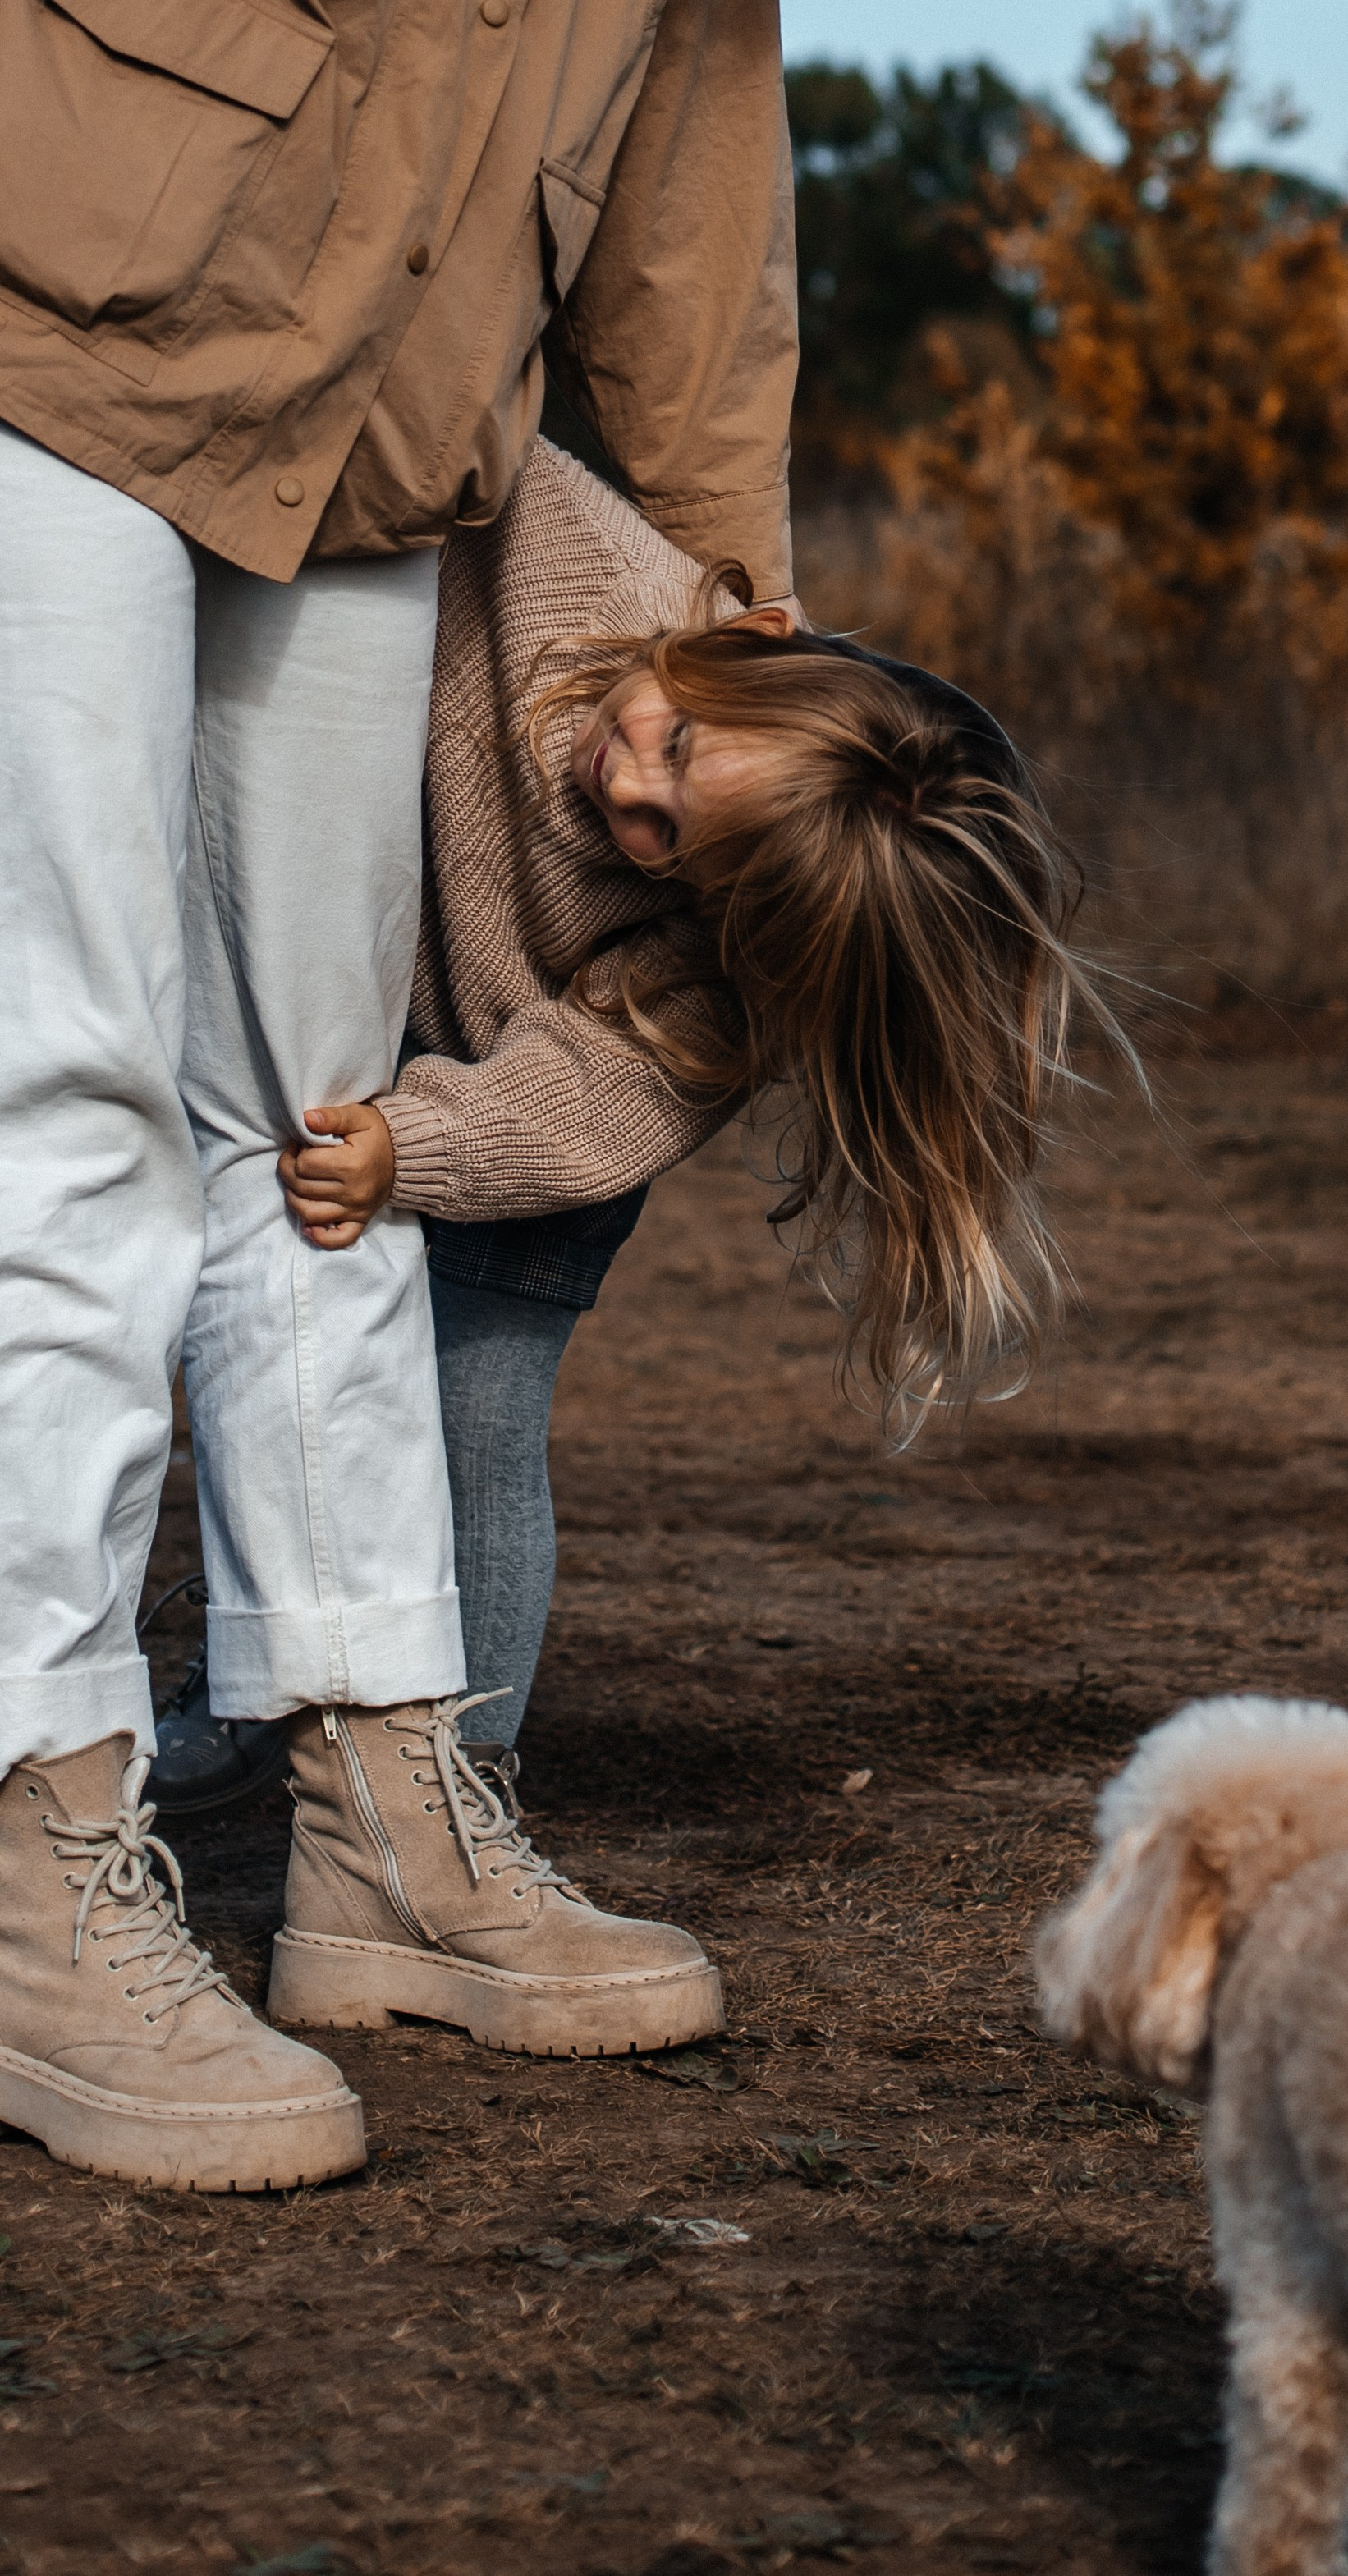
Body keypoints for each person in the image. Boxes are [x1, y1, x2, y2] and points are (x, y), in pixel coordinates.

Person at [0, 2, 797, 2192]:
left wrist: (725, 591)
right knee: (67, 1087)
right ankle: (35, 1831)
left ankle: (375, 1816)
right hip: (65, 307)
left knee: (321, 1115)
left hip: (394, 414)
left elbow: (696, 161)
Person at [255, 440, 1121, 2057]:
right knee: (286, 1383)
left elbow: (581, 1093)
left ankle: (453, 1791)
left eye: (676, 846)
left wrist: (415, 1147)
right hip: (384, 1004)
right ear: (750, 645)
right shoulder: (577, 568)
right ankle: (235, 1722)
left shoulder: (706, 989)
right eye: (671, 745)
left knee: (475, 1415)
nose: (630, 792)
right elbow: (459, 452)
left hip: (527, 1121)